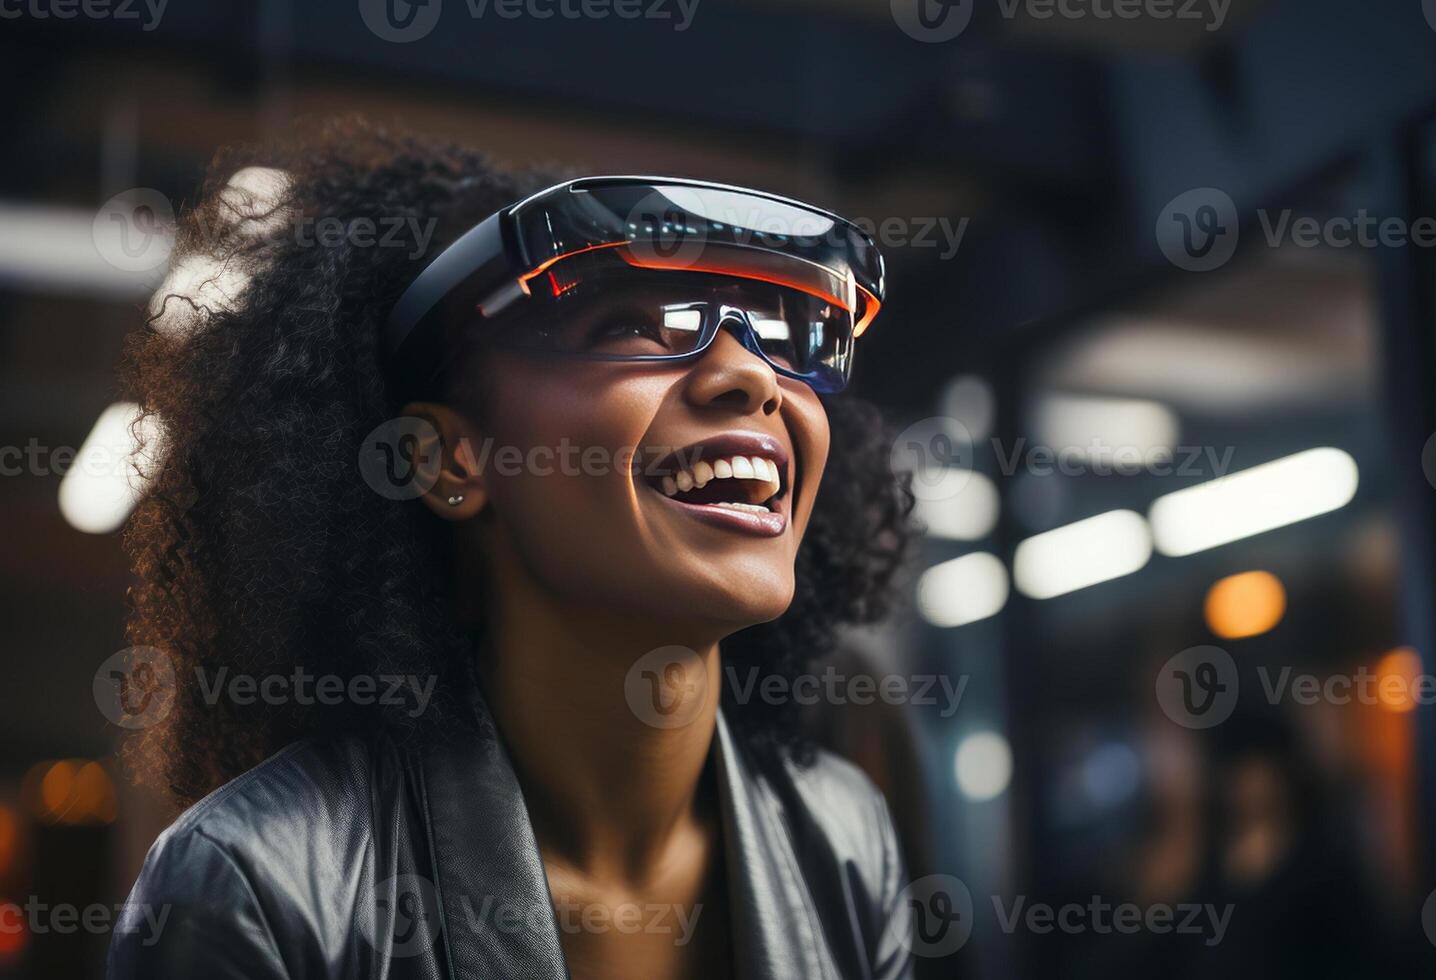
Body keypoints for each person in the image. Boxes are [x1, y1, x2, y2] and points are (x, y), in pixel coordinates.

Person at [106, 119, 915, 980]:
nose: (752, 374)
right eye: (631, 327)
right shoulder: (253, 885)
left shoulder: (847, 840)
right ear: (446, 460)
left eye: (784, 336)